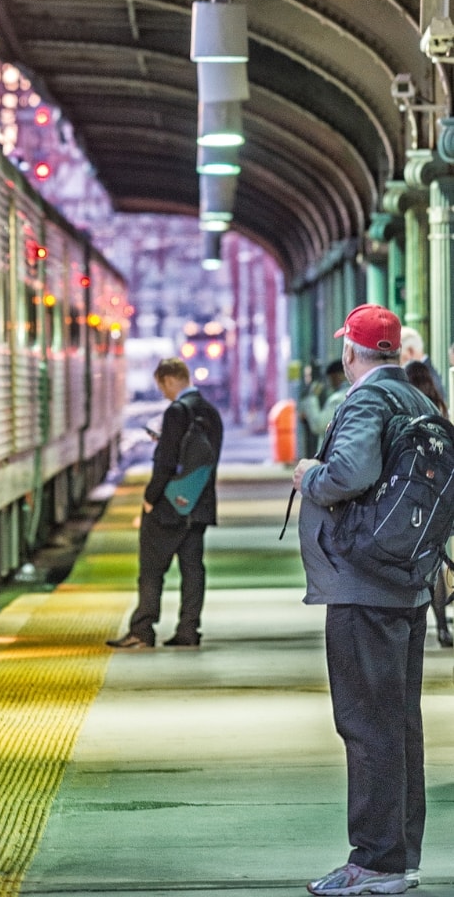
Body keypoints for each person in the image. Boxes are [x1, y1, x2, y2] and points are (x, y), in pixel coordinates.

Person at [293, 304, 432, 896]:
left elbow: (348, 473)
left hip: (362, 583)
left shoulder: (367, 399)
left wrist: (308, 475)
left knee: (365, 725)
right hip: (406, 581)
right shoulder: (416, 398)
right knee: (398, 724)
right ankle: (399, 856)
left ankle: (374, 862)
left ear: (351, 351)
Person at [108, 356, 223, 650]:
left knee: (151, 568)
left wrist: (150, 498)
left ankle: (142, 629)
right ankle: (188, 630)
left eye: (162, 387)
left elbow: (167, 462)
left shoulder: (176, 412)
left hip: (170, 505)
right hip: (199, 503)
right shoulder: (210, 412)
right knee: (192, 569)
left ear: (169, 379)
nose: (164, 393)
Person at [403, 359, 453, 648]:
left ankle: (415, 620)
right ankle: (443, 627)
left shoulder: (406, 411)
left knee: (415, 561)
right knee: (436, 560)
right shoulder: (439, 411)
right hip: (439, 498)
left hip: (413, 497)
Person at [316, 358, 348, 432]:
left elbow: (319, 425)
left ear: (338, 375)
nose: (330, 382)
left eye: (331, 378)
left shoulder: (337, 398)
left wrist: (312, 397)